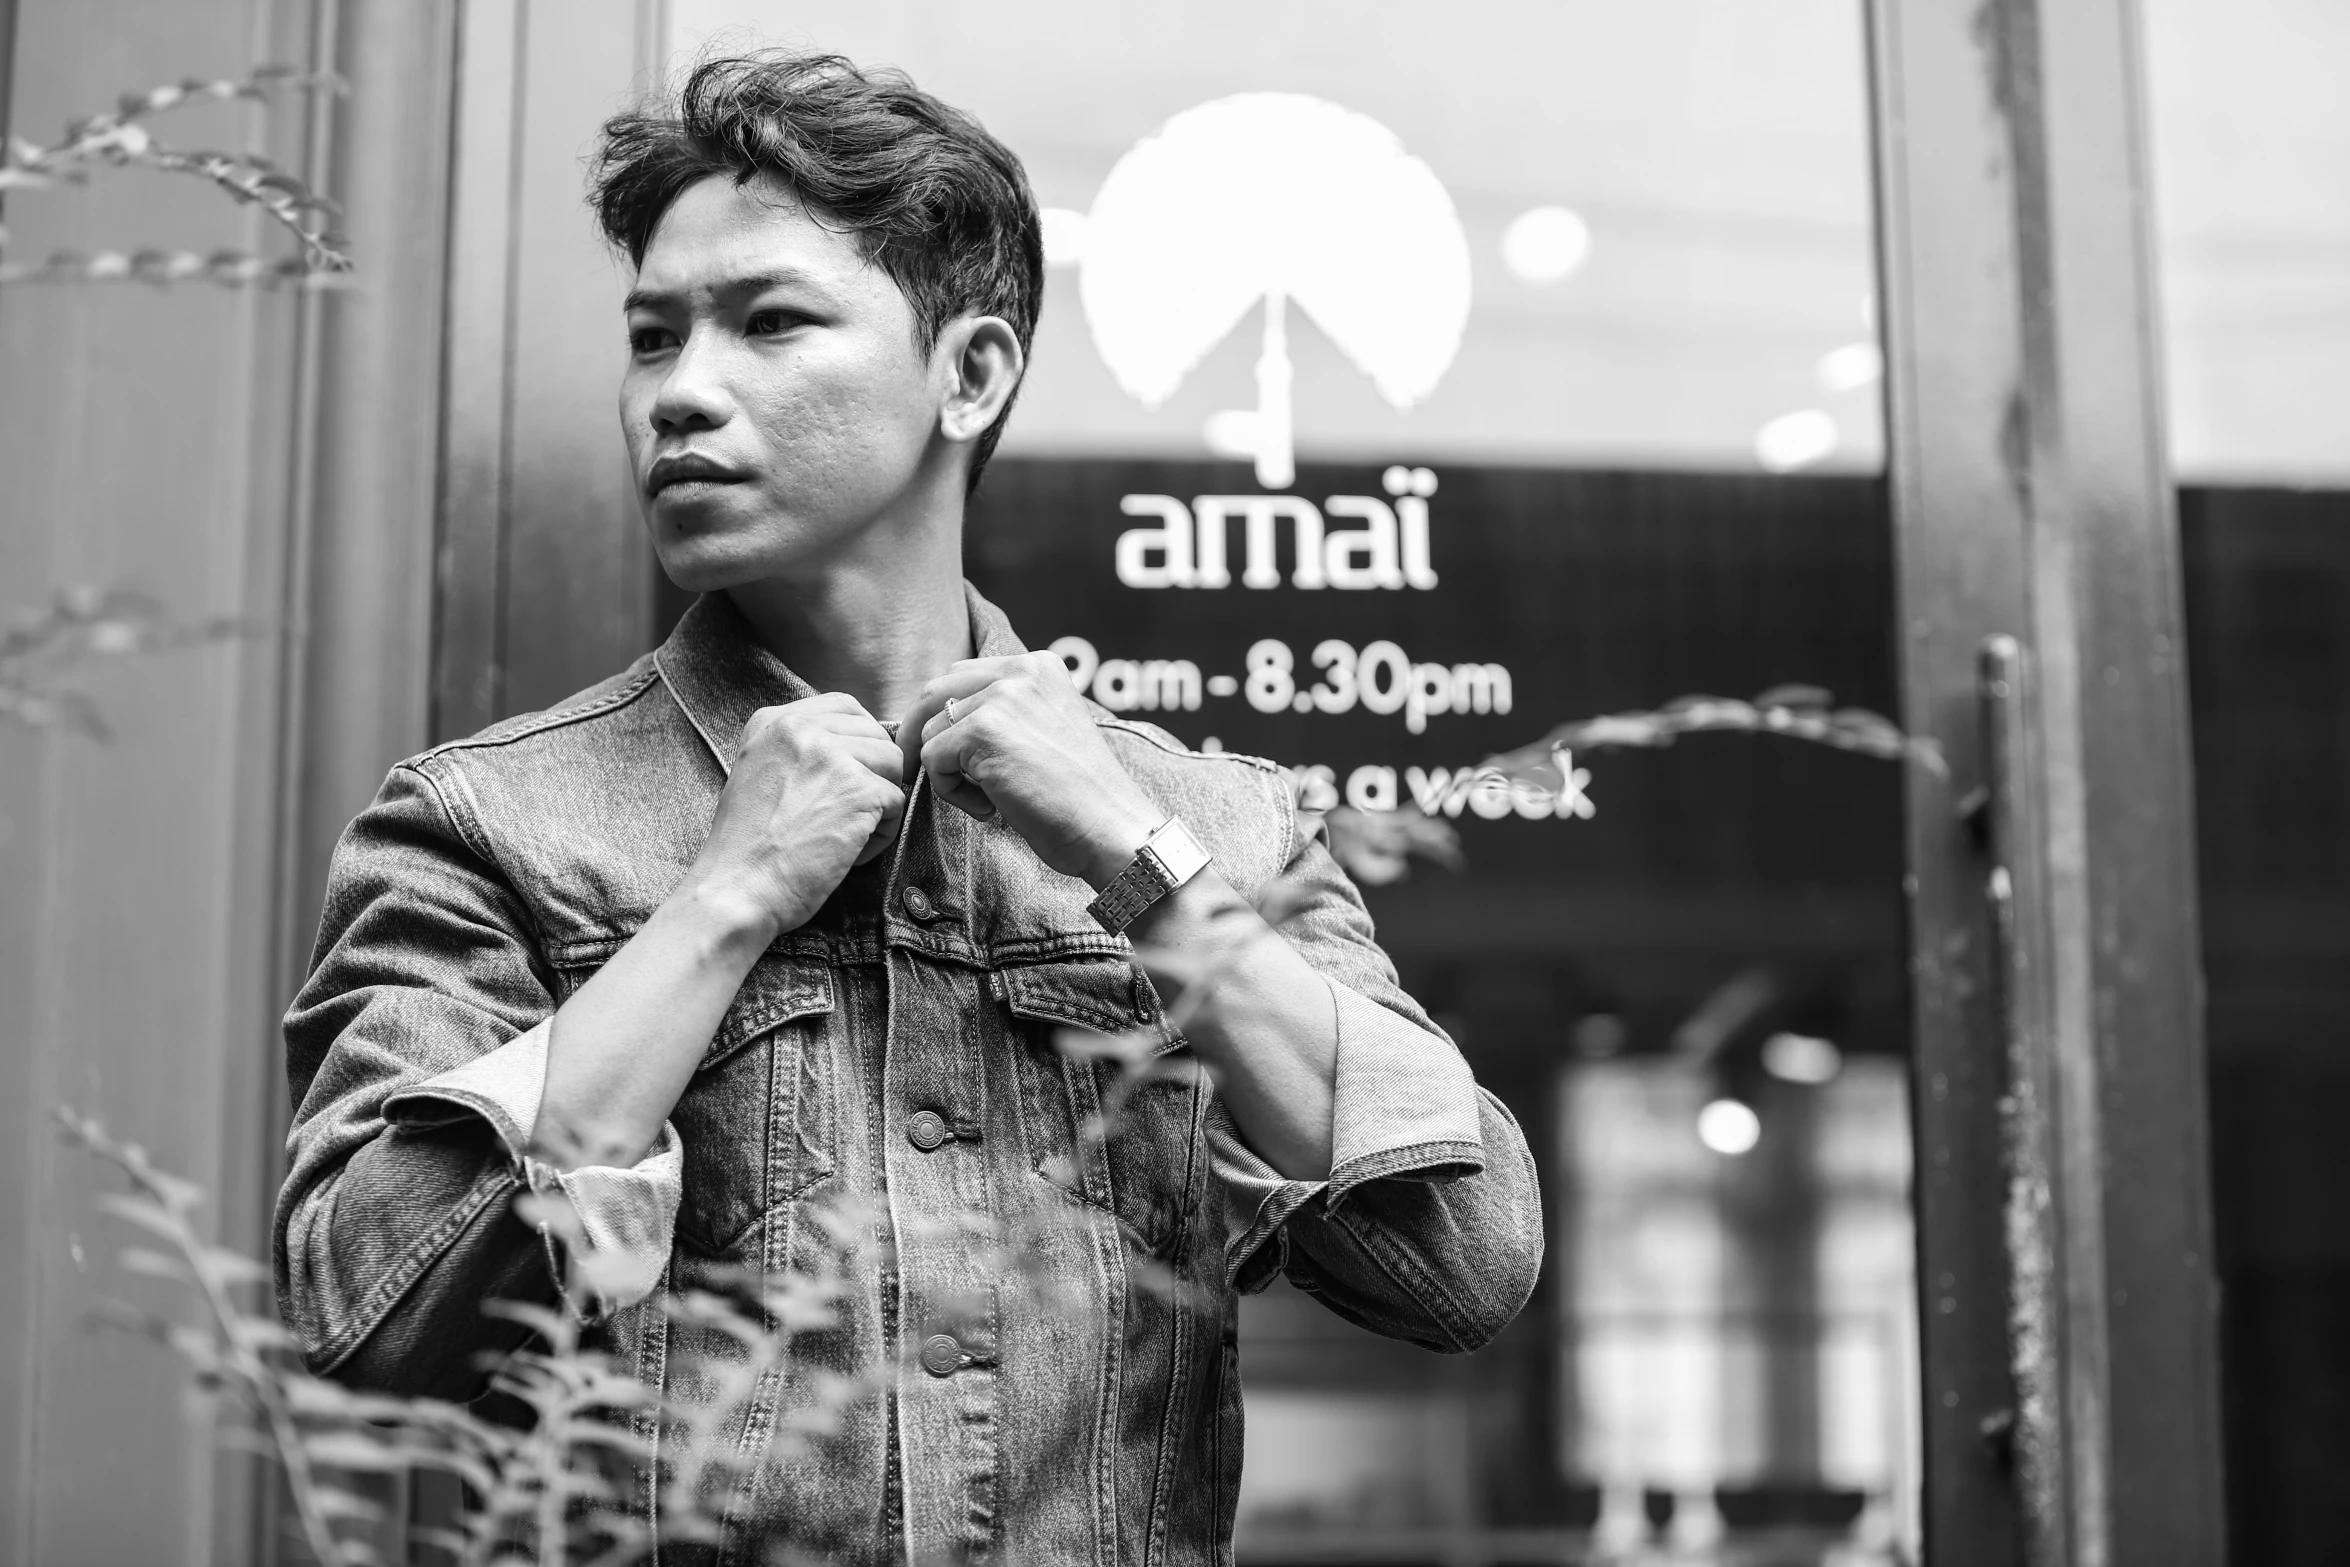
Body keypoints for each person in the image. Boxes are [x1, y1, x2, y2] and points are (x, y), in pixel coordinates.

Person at [276, 51, 1542, 1564]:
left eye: (771, 322)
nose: (680, 391)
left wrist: (1141, 863)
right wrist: (725, 901)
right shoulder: (489, 821)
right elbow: (372, 1305)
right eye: (650, 336)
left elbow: (1460, 1264)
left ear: (972, 373)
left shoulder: (1224, 824)